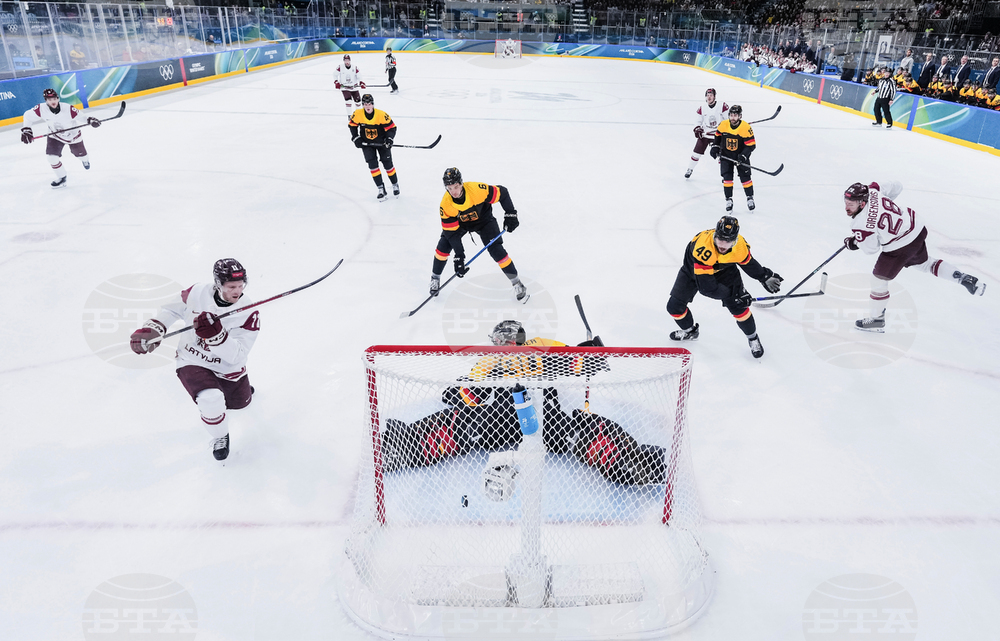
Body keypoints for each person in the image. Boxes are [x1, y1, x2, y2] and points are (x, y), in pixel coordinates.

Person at [380, 321, 664, 487]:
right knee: (583, 428)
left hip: (497, 425)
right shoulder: (542, 346)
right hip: (546, 424)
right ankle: (631, 460)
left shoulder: (490, 359)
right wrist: (592, 351)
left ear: (504, 340)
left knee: (458, 424)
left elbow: (469, 395)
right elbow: (577, 360)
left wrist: (455, 394)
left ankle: (404, 447)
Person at [129, 259, 260, 461]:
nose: (238, 291)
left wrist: (216, 336)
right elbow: (172, 309)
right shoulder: (196, 293)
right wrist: (154, 328)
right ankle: (220, 435)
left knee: (241, 402)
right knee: (210, 399)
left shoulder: (249, 311)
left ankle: (238, 390)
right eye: (231, 286)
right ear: (218, 284)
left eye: (241, 285)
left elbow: (238, 355)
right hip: (192, 358)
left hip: (226, 366)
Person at [842, 181, 985, 332]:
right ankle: (962, 277)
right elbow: (897, 186)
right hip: (915, 228)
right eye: (846, 202)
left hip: (900, 245)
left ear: (863, 203)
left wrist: (856, 242)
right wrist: (883, 206)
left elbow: (871, 249)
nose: (846, 207)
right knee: (924, 264)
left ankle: (877, 319)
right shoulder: (873, 191)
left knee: (878, 279)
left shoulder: (860, 223)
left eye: (851, 204)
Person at [665, 216, 782, 358]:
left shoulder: (740, 247)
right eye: (720, 239)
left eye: (728, 241)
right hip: (692, 271)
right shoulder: (704, 247)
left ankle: (753, 338)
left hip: (725, 272)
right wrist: (736, 295)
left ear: (735, 240)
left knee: (740, 310)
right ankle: (690, 331)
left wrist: (764, 276)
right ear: (715, 234)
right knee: (674, 306)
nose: (723, 244)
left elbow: (748, 263)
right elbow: (707, 288)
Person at [430, 167, 528, 302]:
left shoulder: (476, 190)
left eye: (456, 186)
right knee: (443, 247)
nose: (454, 191)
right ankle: (435, 278)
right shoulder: (446, 204)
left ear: (461, 183)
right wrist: (459, 256)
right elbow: (451, 234)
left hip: (484, 221)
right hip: (461, 225)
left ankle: (517, 283)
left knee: (497, 251)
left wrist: (510, 213)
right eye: (449, 188)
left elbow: (502, 192)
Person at [20, 88, 100, 189]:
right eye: (49, 100)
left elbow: (82, 117)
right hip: (55, 136)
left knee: (81, 156)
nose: (52, 101)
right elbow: (27, 116)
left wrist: (90, 120)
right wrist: (26, 129)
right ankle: (62, 178)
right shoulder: (41, 109)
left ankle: (85, 160)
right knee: (51, 158)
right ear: (46, 101)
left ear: (58, 98)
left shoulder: (68, 108)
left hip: (73, 136)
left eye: (54, 99)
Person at [349, 93, 399, 201]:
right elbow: (352, 125)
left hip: (382, 143)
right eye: (365, 104)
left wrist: (389, 139)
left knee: (388, 165)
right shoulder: (358, 114)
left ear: (373, 104)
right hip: (367, 144)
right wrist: (356, 138)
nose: (367, 106)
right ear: (362, 105)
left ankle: (395, 184)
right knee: (373, 166)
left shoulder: (381, 115)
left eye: (369, 104)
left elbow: (392, 128)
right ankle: (381, 188)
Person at [710, 104, 756, 212]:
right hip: (726, 155)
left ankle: (750, 198)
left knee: (745, 178)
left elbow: (751, 145)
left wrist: (743, 156)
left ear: (740, 116)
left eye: (735, 115)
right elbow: (717, 137)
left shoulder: (745, 127)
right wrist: (715, 148)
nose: (733, 117)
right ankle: (728, 199)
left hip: (740, 156)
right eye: (731, 115)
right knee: (727, 178)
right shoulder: (723, 125)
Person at [684, 88, 728, 179]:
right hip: (705, 134)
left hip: (718, 135)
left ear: (714, 97)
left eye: (711, 95)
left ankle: (725, 176)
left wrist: (726, 129)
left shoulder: (722, 106)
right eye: (707, 95)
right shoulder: (702, 108)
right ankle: (690, 169)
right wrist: (697, 129)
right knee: (696, 154)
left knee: (721, 156)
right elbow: (697, 122)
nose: (709, 97)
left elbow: (728, 120)